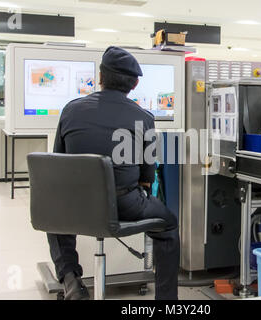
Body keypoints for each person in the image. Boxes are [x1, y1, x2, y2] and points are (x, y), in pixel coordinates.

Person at [47, 46, 180, 300]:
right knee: (169, 224)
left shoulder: (70, 110)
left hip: (77, 205)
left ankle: (71, 279)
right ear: (135, 83)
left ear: (100, 77)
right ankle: (166, 301)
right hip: (124, 204)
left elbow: (58, 164)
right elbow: (147, 177)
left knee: (55, 215)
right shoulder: (144, 118)